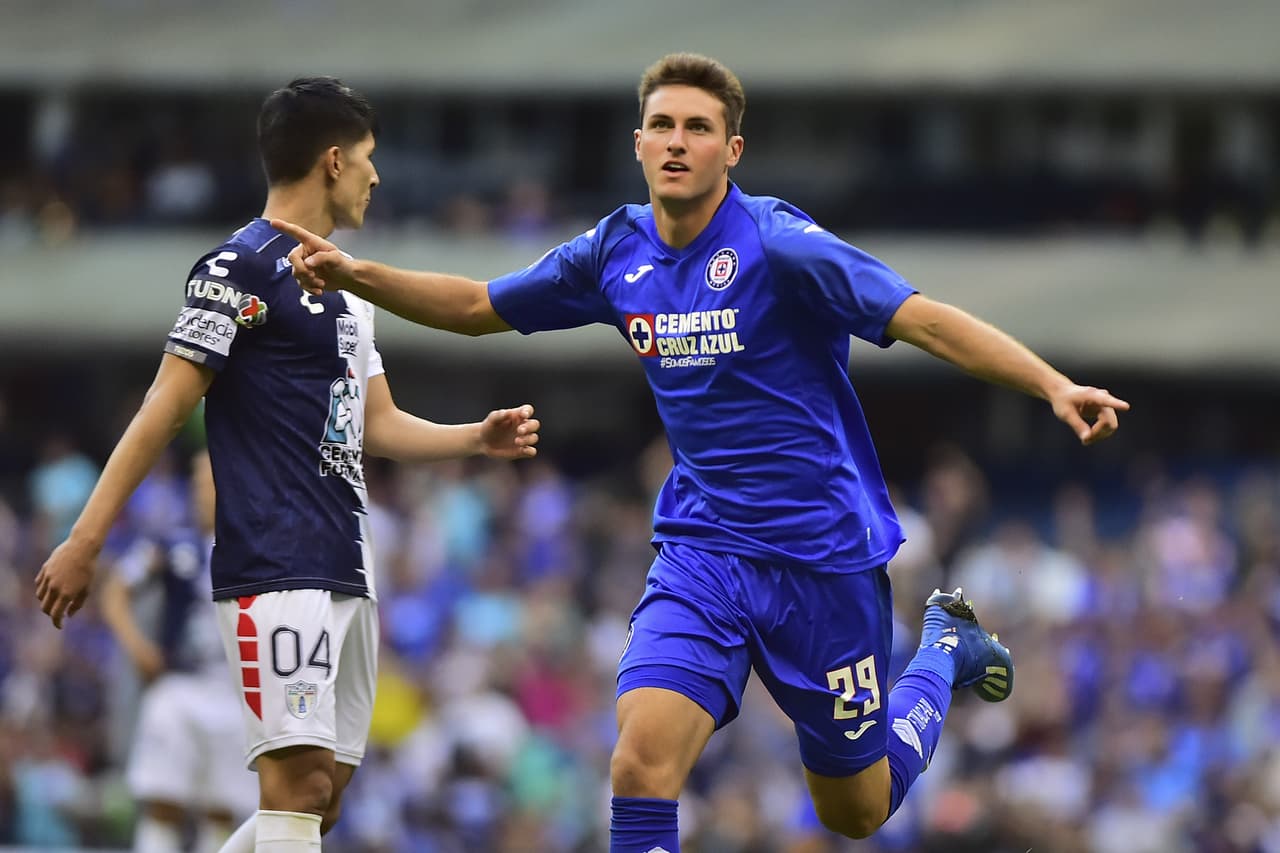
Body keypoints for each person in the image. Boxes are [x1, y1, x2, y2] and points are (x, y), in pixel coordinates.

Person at [272, 54, 1130, 851]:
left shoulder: (780, 245)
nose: (678, 142)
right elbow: (475, 305)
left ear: (732, 150)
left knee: (856, 809)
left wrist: (1052, 385)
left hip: (821, 561)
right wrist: (354, 273)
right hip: (704, 551)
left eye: (698, 127)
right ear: (638, 143)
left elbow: (924, 318)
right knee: (639, 761)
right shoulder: (615, 251)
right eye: (663, 125)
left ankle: (943, 648)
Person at [35, 77, 541, 852]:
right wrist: (86, 538)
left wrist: (474, 438)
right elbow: (163, 406)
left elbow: (375, 423)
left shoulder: (351, 290)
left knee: (322, 798)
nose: (376, 175)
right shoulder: (236, 269)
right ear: (333, 161)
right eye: (368, 157)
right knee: (296, 786)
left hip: (348, 559)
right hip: (276, 559)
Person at [102, 450, 258, 852]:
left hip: (237, 692)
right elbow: (115, 589)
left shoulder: (258, 549)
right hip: (180, 685)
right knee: (162, 799)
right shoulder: (172, 545)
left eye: (211, 482)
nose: (202, 492)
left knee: (223, 809)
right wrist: (138, 647)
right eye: (198, 483)